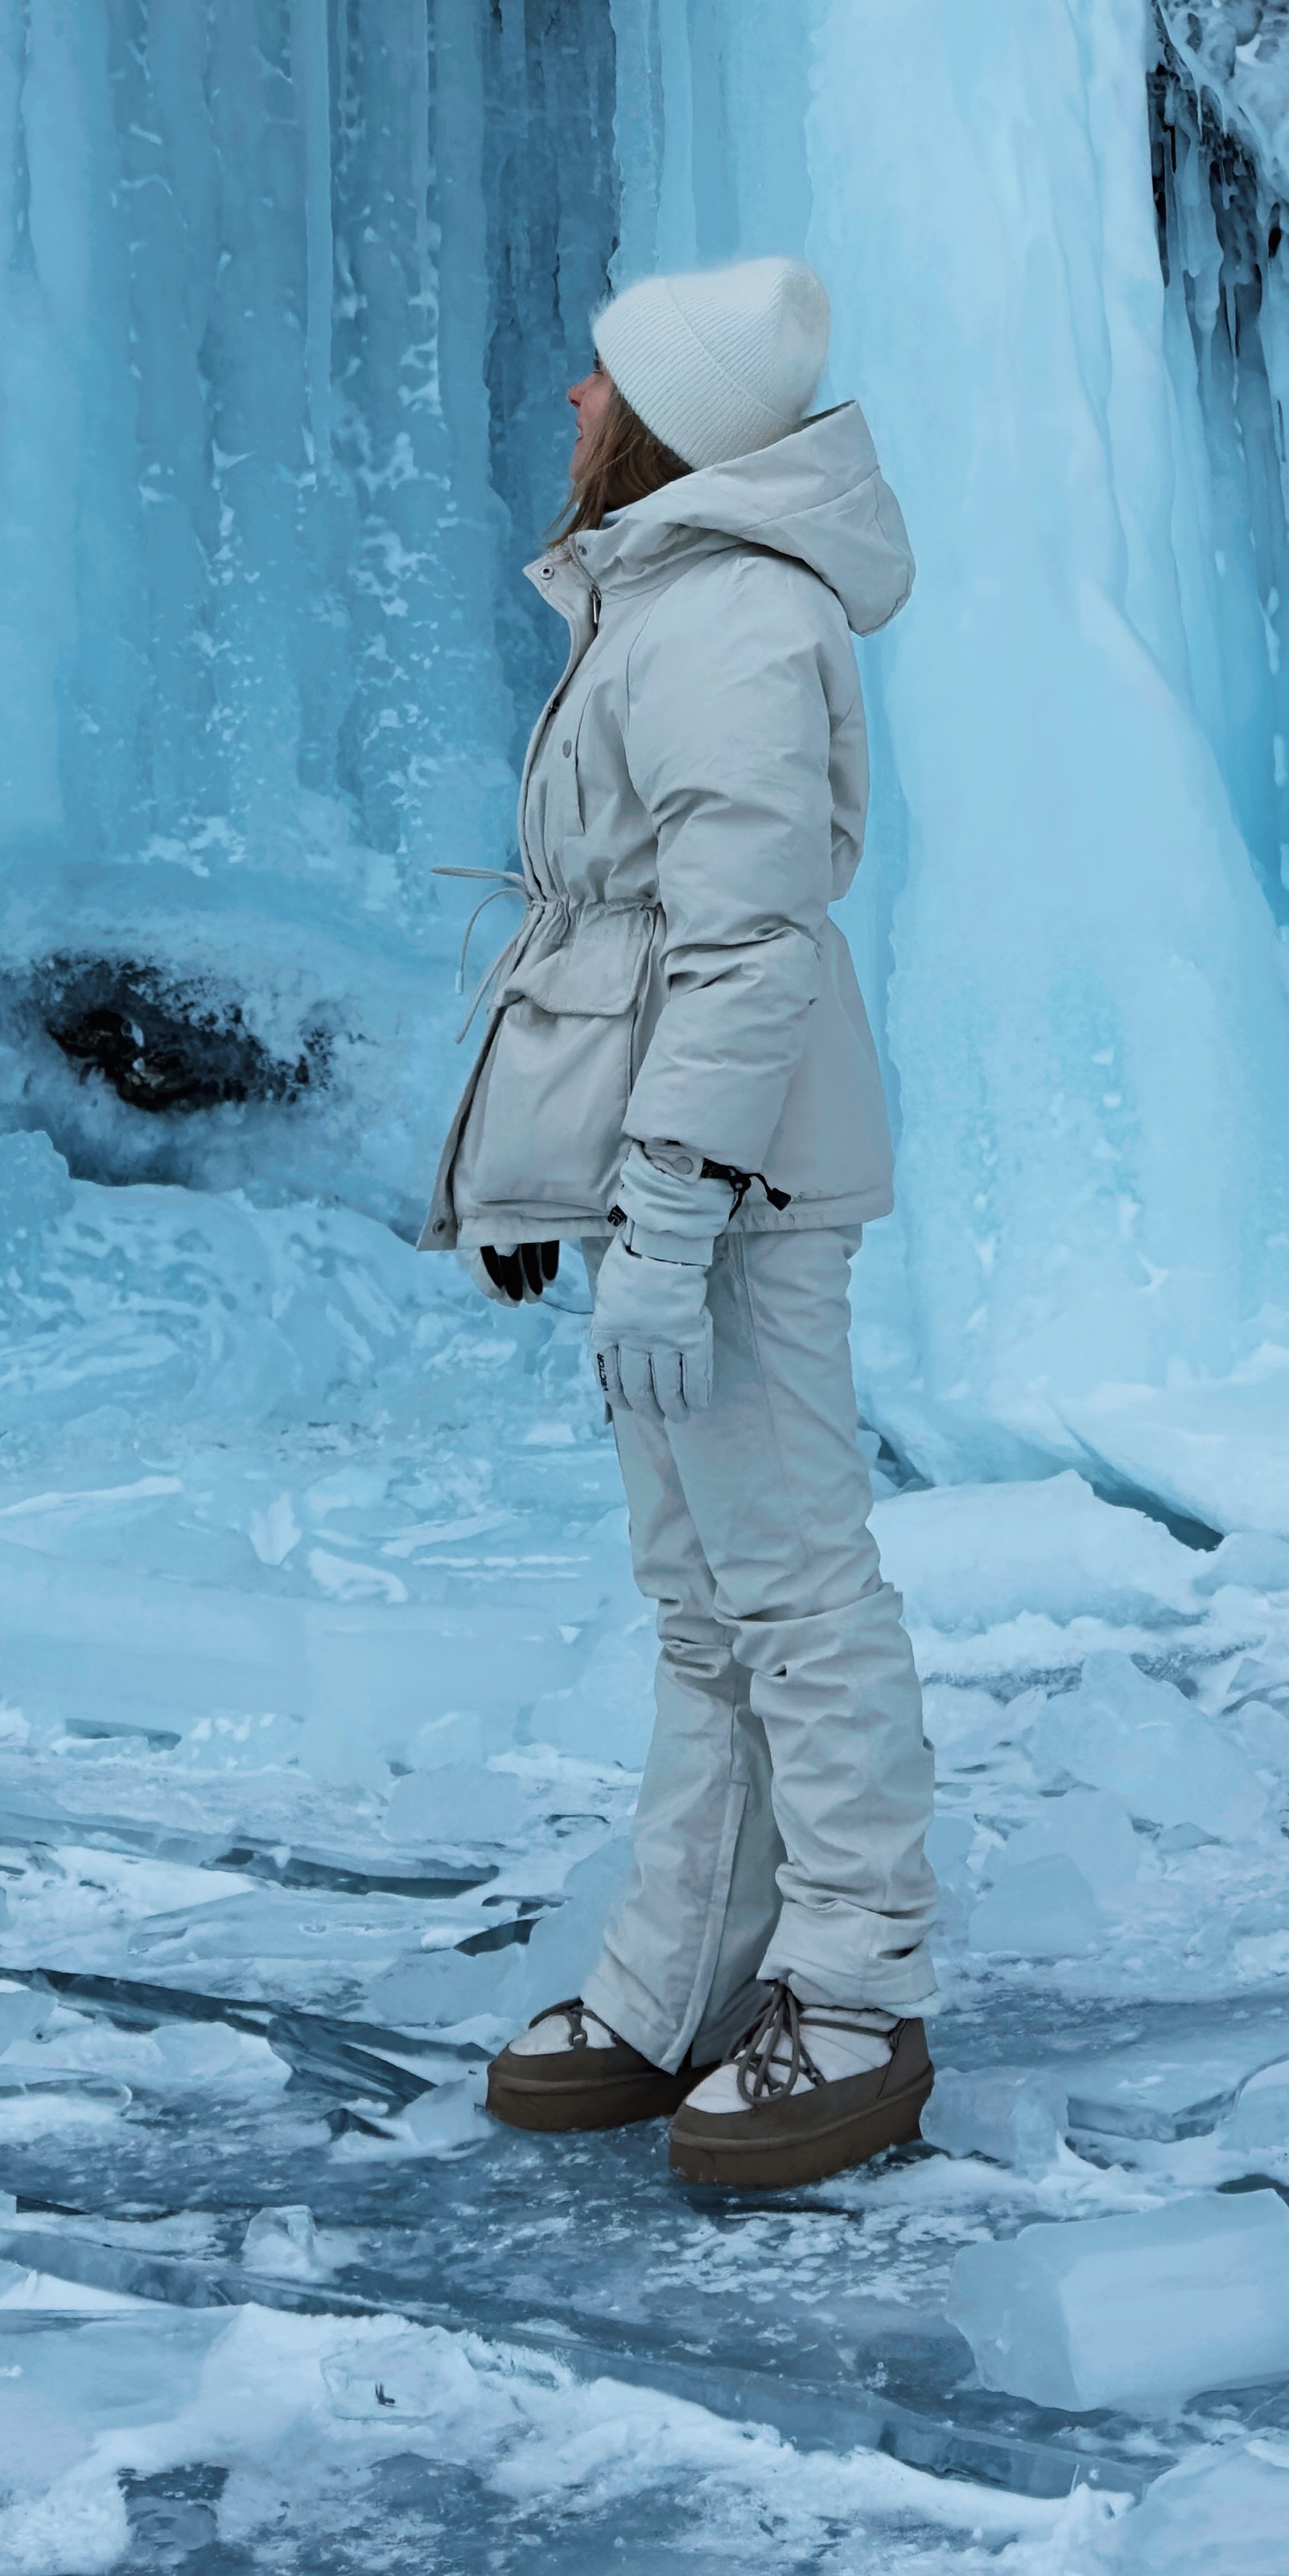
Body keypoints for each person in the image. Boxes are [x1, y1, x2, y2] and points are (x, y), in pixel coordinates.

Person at [423, 253, 936, 2195]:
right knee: (706, 1606)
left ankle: (859, 1993)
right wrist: (552, 1181)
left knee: (791, 1595)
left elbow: (739, 951)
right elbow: (616, 946)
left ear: (667, 419)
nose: (568, 398)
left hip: (739, 1183)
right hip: (681, 1169)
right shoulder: (669, 597)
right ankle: (680, 1983)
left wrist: (670, 1211)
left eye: (599, 376)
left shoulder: (721, 613)